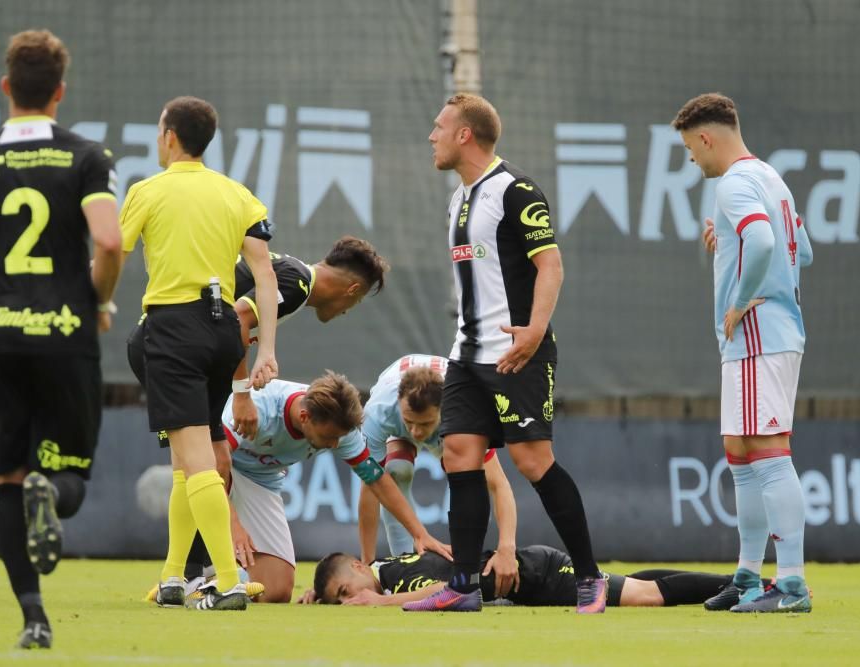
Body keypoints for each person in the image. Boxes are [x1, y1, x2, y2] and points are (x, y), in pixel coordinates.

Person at [0, 29, 122, 649]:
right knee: (70, 476)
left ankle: (34, 619)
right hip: (65, 336)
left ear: (6, 88)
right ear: (59, 92)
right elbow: (110, 241)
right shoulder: (87, 157)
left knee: (6, 478)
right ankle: (52, 491)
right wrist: (97, 298)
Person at [405, 93, 605, 614]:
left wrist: (535, 331)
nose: (432, 135)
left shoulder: (515, 189)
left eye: (439, 126)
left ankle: (590, 577)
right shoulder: (458, 198)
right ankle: (465, 584)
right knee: (459, 456)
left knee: (532, 461)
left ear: (464, 135)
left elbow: (551, 265)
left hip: (518, 354)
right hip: (466, 357)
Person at [127, 238, 389, 584]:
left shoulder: (290, 274)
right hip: (169, 351)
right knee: (202, 464)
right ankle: (193, 576)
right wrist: (241, 394)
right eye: (353, 302)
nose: (345, 310)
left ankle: (188, 576)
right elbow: (237, 320)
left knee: (204, 462)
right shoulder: (296, 282)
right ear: (352, 288)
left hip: (169, 347)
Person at [119, 95, 279, 612]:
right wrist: (266, 351)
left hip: (173, 331)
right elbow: (266, 275)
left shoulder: (147, 191)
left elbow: (110, 252)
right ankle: (172, 577)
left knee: (196, 460)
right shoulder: (237, 194)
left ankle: (227, 583)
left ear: (168, 135)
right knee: (188, 464)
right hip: (223, 331)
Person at [673, 93, 814, 613]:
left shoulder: (734, 182)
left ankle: (793, 585)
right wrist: (728, 239)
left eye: (691, 149)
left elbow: (761, 243)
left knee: (767, 451)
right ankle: (748, 576)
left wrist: (740, 300)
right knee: (740, 451)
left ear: (707, 138)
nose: (693, 160)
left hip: (758, 334)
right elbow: (804, 246)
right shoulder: (770, 178)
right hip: (768, 335)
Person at [172, 371, 453, 604]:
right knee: (207, 479)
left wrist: (420, 534)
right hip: (217, 466)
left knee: (276, 590)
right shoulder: (261, 408)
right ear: (305, 417)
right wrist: (233, 525)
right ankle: (189, 572)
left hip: (261, 479)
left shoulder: (340, 431)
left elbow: (376, 479)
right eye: (329, 437)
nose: (334, 446)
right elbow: (212, 463)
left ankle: (210, 582)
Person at [357, 355, 519, 599]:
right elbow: (371, 488)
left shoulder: (467, 411)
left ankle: (467, 570)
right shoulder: (378, 413)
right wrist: (367, 564)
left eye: (424, 423)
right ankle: (402, 568)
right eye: (409, 421)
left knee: (465, 476)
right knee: (396, 472)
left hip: (450, 427)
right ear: (399, 404)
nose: (415, 432)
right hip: (403, 420)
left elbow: (498, 485)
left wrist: (507, 548)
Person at [304, 546, 752, 609]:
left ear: (359, 570)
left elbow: (453, 587)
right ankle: (740, 578)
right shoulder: (383, 568)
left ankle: (750, 586)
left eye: (345, 591)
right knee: (630, 580)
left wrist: (379, 602)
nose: (349, 600)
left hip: (535, 575)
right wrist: (316, 596)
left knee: (645, 596)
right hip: (532, 574)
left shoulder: (399, 576)